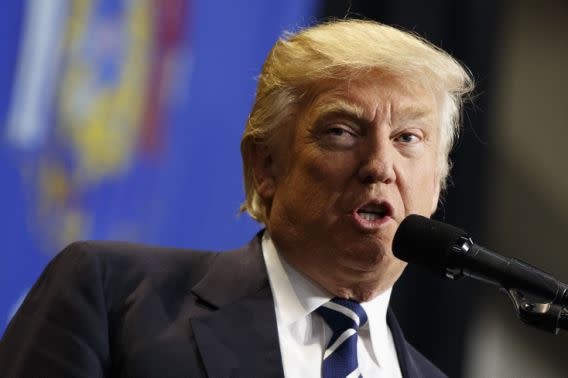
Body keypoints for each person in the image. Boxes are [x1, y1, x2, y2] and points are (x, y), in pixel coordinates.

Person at [0, 19, 473, 377]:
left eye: (409, 137)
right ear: (265, 166)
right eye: (341, 131)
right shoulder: (113, 299)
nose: (380, 165)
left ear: (439, 179)